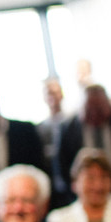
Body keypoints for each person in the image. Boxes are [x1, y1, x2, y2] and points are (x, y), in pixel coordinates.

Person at [37, 77, 73, 209]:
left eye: (55, 92)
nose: (52, 97)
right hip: (52, 183)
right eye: (48, 93)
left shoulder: (71, 122)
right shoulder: (41, 127)